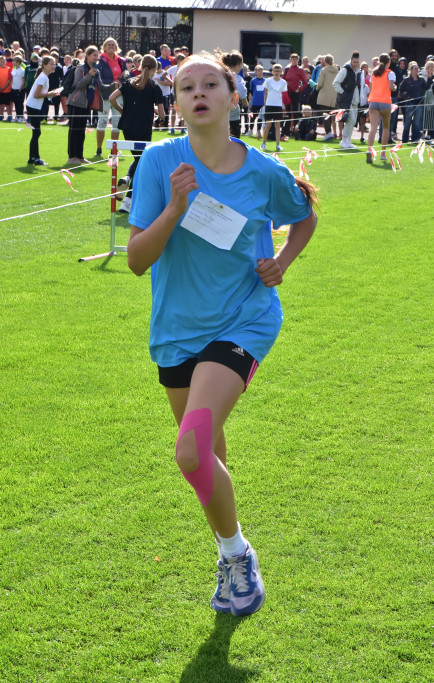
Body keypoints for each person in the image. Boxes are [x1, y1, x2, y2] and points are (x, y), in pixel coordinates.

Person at [125, 50, 318, 618]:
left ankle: (238, 557)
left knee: (189, 451)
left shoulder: (262, 171)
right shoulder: (160, 163)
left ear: (234, 97)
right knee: (208, 454)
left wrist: (284, 257)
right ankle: (226, 550)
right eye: (187, 87)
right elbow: (137, 260)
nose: (199, 93)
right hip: (177, 332)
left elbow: (304, 212)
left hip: (244, 320)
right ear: (177, 102)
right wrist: (175, 207)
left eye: (212, 84)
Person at [110, 53, 165, 213]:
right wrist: (155, 113)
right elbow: (162, 114)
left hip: (127, 126)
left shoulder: (129, 83)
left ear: (140, 67)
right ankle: (127, 201)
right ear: (155, 69)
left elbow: (112, 98)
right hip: (143, 127)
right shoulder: (154, 87)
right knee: (141, 162)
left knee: (139, 159)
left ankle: (126, 186)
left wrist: (123, 110)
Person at [65, 46, 101, 166]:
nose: (96, 57)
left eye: (97, 55)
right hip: (76, 102)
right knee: (74, 130)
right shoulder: (80, 68)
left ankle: (80, 156)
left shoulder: (96, 70)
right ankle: (71, 156)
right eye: (94, 55)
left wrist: (114, 86)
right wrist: (89, 75)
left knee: (81, 131)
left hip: (86, 104)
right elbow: (78, 85)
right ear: (88, 56)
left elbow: (100, 86)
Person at [24, 55, 60, 166]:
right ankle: (36, 158)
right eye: (51, 64)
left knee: (36, 132)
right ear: (44, 66)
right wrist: (50, 94)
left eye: (54, 64)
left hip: (33, 106)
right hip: (33, 106)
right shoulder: (43, 77)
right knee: (36, 132)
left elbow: (40, 94)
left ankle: (32, 158)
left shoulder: (44, 77)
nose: (54, 66)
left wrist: (51, 94)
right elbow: (37, 94)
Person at [95, 37, 128, 157]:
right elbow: (99, 78)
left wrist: (120, 80)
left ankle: (113, 150)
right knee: (102, 122)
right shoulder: (100, 61)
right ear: (104, 47)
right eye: (109, 44)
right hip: (104, 95)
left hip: (118, 95)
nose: (111, 46)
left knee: (116, 123)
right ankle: (99, 149)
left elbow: (126, 74)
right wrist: (113, 83)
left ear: (116, 47)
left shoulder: (121, 61)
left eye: (113, 45)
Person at [365, 53, 397, 163]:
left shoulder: (374, 72)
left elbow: (370, 86)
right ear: (388, 62)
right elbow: (391, 87)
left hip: (373, 101)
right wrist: (395, 87)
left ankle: (369, 150)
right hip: (385, 102)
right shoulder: (390, 73)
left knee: (373, 128)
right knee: (385, 129)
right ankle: (383, 153)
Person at [332, 51, 361, 150]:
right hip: (346, 100)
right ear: (351, 60)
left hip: (355, 100)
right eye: (354, 62)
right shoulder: (345, 70)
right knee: (350, 119)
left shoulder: (359, 71)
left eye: (357, 62)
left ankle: (348, 141)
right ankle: (344, 140)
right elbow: (335, 83)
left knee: (353, 122)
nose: (356, 64)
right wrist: (343, 92)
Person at [259, 63, 287, 152]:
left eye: (278, 71)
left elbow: (283, 94)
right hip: (269, 105)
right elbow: (266, 93)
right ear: (272, 72)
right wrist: (265, 104)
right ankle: (264, 143)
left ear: (281, 72)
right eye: (275, 71)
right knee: (268, 124)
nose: (276, 73)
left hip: (278, 105)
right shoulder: (268, 81)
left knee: (278, 125)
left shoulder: (283, 82)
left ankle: (278, 145)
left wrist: (283, 105)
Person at [398, 61, 426, 144]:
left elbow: (425, 88)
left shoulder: (421, 80)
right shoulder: (406, 80)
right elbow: (401, 90)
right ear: (411, 70)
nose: (417, 70)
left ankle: (415, 139)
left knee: (417, 123)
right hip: (410, 103)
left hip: (419, 103)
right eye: (415, 68)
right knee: (407, 122)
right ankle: (405, 139)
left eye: (417, 68)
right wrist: (406, 96)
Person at [314, 54, 339, 141]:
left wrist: (316, 87)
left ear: (326, 61)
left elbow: (320, 83)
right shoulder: (337, 70)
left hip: (324, 95)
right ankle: (330, 132)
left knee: (325, 115)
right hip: (333, 96)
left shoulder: (324, 70)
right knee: (330, 115)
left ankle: (328, 132)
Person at [282, 53, 307, 137]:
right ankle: (286, 131)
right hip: (287, 92)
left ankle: (296, 131)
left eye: (296, 59)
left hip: (295, 93)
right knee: (288, 112)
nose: (294, 60)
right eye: (293, 59)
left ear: (298, 60)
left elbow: (305, 83)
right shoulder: (287, 69)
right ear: (290, 60)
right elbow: (283, 80)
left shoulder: (300, 70)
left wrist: (299, 89)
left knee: (296, 111)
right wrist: (285, 85)